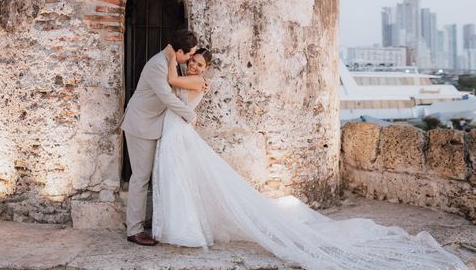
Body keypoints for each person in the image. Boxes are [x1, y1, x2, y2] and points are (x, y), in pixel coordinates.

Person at [151, 45, 467, 270]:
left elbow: (170, 82)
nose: (194, 68)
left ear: (205, 72)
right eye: (192, 62)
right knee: (182, 180)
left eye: (200, 66)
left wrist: (168, 55)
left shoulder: (195, 81)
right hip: (178, 133)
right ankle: (184, 227)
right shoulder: (190, 75)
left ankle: (186, 230)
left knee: (183, 179)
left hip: (180, 134)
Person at [120, 29, 199, 246]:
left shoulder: (174, 62)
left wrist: (200, 84)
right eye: (189, 54)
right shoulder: (157, 63)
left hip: (155, 125)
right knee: (140, 177)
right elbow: (165, 96)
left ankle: (154, 224)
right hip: (141, 126)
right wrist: (189, 114)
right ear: (179, 51)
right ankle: (134, 230)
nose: (191, 58)